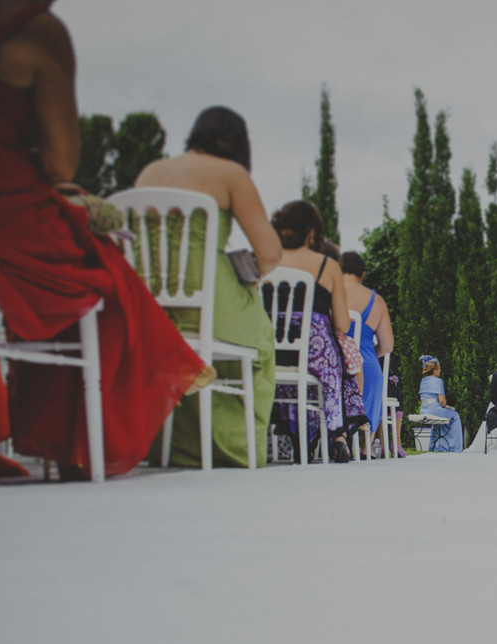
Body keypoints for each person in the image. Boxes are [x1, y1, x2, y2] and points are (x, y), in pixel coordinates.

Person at [0, 1, 214, 478]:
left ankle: (168, 363)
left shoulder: (152, 171)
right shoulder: (37, 33)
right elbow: (60, 164)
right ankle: (91, 438)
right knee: (106, 278)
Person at [134, 105, 282, 468]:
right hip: (207, 293)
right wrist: (252, 275)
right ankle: (232, 445)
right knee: (260, 335)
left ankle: (168, 445)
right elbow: (270, 252)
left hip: (147, 301)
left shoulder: (150, 170)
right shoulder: (230, 173)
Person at [267, 201, 367, 463]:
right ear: (312, 232)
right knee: (343, 369)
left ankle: (294, 432)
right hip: (314, 359)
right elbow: (343, 326)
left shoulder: (265, 261)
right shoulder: (327, 265)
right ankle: (337, 436)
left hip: (270, 353)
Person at [340, 252, 394, 436]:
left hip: (332, 361)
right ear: (362, 274)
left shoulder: (330, 293)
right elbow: (387, 346)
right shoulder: (376, 301)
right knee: (374, 378)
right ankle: (365, 445)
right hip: (366, 363)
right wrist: (368, 353)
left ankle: (332, 437)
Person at [418, 355, 463, 452]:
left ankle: (435, 446)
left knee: (440, 420)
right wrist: (446, 406)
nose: (440, 371)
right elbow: (442, 401)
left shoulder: (423, 381)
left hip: (423, 410)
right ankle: (455, 448)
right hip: (435, 410)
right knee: (455, 416)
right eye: (439, 369)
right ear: (434, 370)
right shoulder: (438, 381)